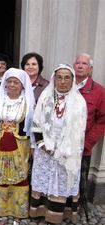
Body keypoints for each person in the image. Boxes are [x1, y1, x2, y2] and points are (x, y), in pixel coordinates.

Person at [29, 64, 87, 224]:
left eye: (67, 77)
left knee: (62, 183)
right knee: (44, 179)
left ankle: (61, 214)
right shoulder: (45, 97)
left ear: (73, 80)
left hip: (67, 152)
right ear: (54, 80)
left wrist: (61, 149)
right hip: (44, 151)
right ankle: (39, 211)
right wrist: (42, 145)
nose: (62, 81)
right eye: (59, 77)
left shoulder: (79, 102)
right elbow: (36, 123)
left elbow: (80, 131)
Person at [0, 68, 35, 218]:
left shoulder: (28, 103)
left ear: (22, 85)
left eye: (16, 82)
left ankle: (16, 208)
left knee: (17, 174)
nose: (11, 85)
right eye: (9, 81)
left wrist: (33, 146)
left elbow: (32, 127)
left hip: (19, 146)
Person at [73, 53, 105, 216]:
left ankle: (77, 207)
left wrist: (88, 142)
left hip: (83, 146)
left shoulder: (98, 91)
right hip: (62, 145)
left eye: (84, 64)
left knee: (80, 179)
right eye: (77, 62)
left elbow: (102, 120)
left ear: (90, 69)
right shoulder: (65, 84)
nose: (80, 65)